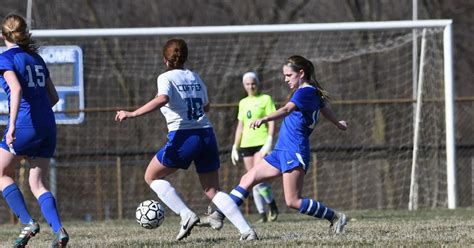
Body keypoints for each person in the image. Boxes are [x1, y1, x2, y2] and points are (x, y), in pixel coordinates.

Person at [115, 38, 257, 241]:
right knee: (212, 190)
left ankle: (186, 214)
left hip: (184, 135)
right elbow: (206, 107)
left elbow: (162, 98)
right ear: (185, 57)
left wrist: (132, 113)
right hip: (207, 134)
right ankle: (247, 231)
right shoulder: (195, 77)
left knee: (151, 176)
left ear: (165, 60)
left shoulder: (165, 78)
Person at [206, 55, 349, 234]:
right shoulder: (311, 93)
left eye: (289, 75)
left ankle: (335, 217)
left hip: (294, 151)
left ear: (301, 73)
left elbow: (286, 109)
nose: (285, 79)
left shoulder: (305, 92)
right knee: (247, 179)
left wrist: (264, 118)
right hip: (281, 150)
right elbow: (324, 108)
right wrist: (337, 123)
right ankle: (219, 215)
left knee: (292, 201)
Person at [0, 14, 69, 247]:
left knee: (2, 174)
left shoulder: (5, 59)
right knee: (37, 183)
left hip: (24, 124)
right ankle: (59, 231)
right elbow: (54, 97)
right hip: (47, 125)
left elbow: (16, 89)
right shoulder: (36, 58)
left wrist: (12, 126)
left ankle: (28, 223)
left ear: (3, 36)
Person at [231, 72, 279, 223]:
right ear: (244, 85)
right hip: (247, 145)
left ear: (257, 84)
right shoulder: (243, 102)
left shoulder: (265, 99)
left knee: (259, 179)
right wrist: (235, 146)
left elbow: (272, 121)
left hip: (261, 143)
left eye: (253, 83)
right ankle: (262, 214)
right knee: (252, 181)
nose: (251, 86)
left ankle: (272, 206)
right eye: (247, 84)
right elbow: (240, 126)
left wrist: (269, 140)